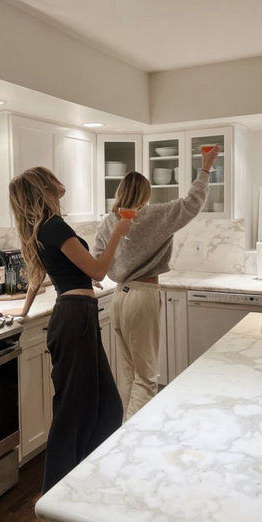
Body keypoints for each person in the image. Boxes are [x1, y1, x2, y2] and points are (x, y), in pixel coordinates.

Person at [7, 166, 131, 493]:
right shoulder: (54, 226)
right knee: (72, 410)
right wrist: (119, 232)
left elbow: (35, 278)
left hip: (77, 315)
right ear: (44, 188)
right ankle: (57, 494)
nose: (59, 183)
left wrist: (22, 312)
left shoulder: (43, 229)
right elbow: (97, 271)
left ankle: (89, 479)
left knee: (108, 407)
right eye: (52, 180)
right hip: (75, 316)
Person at [93, 146, 219, 421]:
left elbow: (96, 262)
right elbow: (192, 202)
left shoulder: (108, 222)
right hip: (143, 297)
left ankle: (119, 435)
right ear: (146, 194)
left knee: (128, 373)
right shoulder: (153, 216)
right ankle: (134, 436)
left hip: (119, 298)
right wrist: (206, 168)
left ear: (120, 192)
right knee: (147, 377)